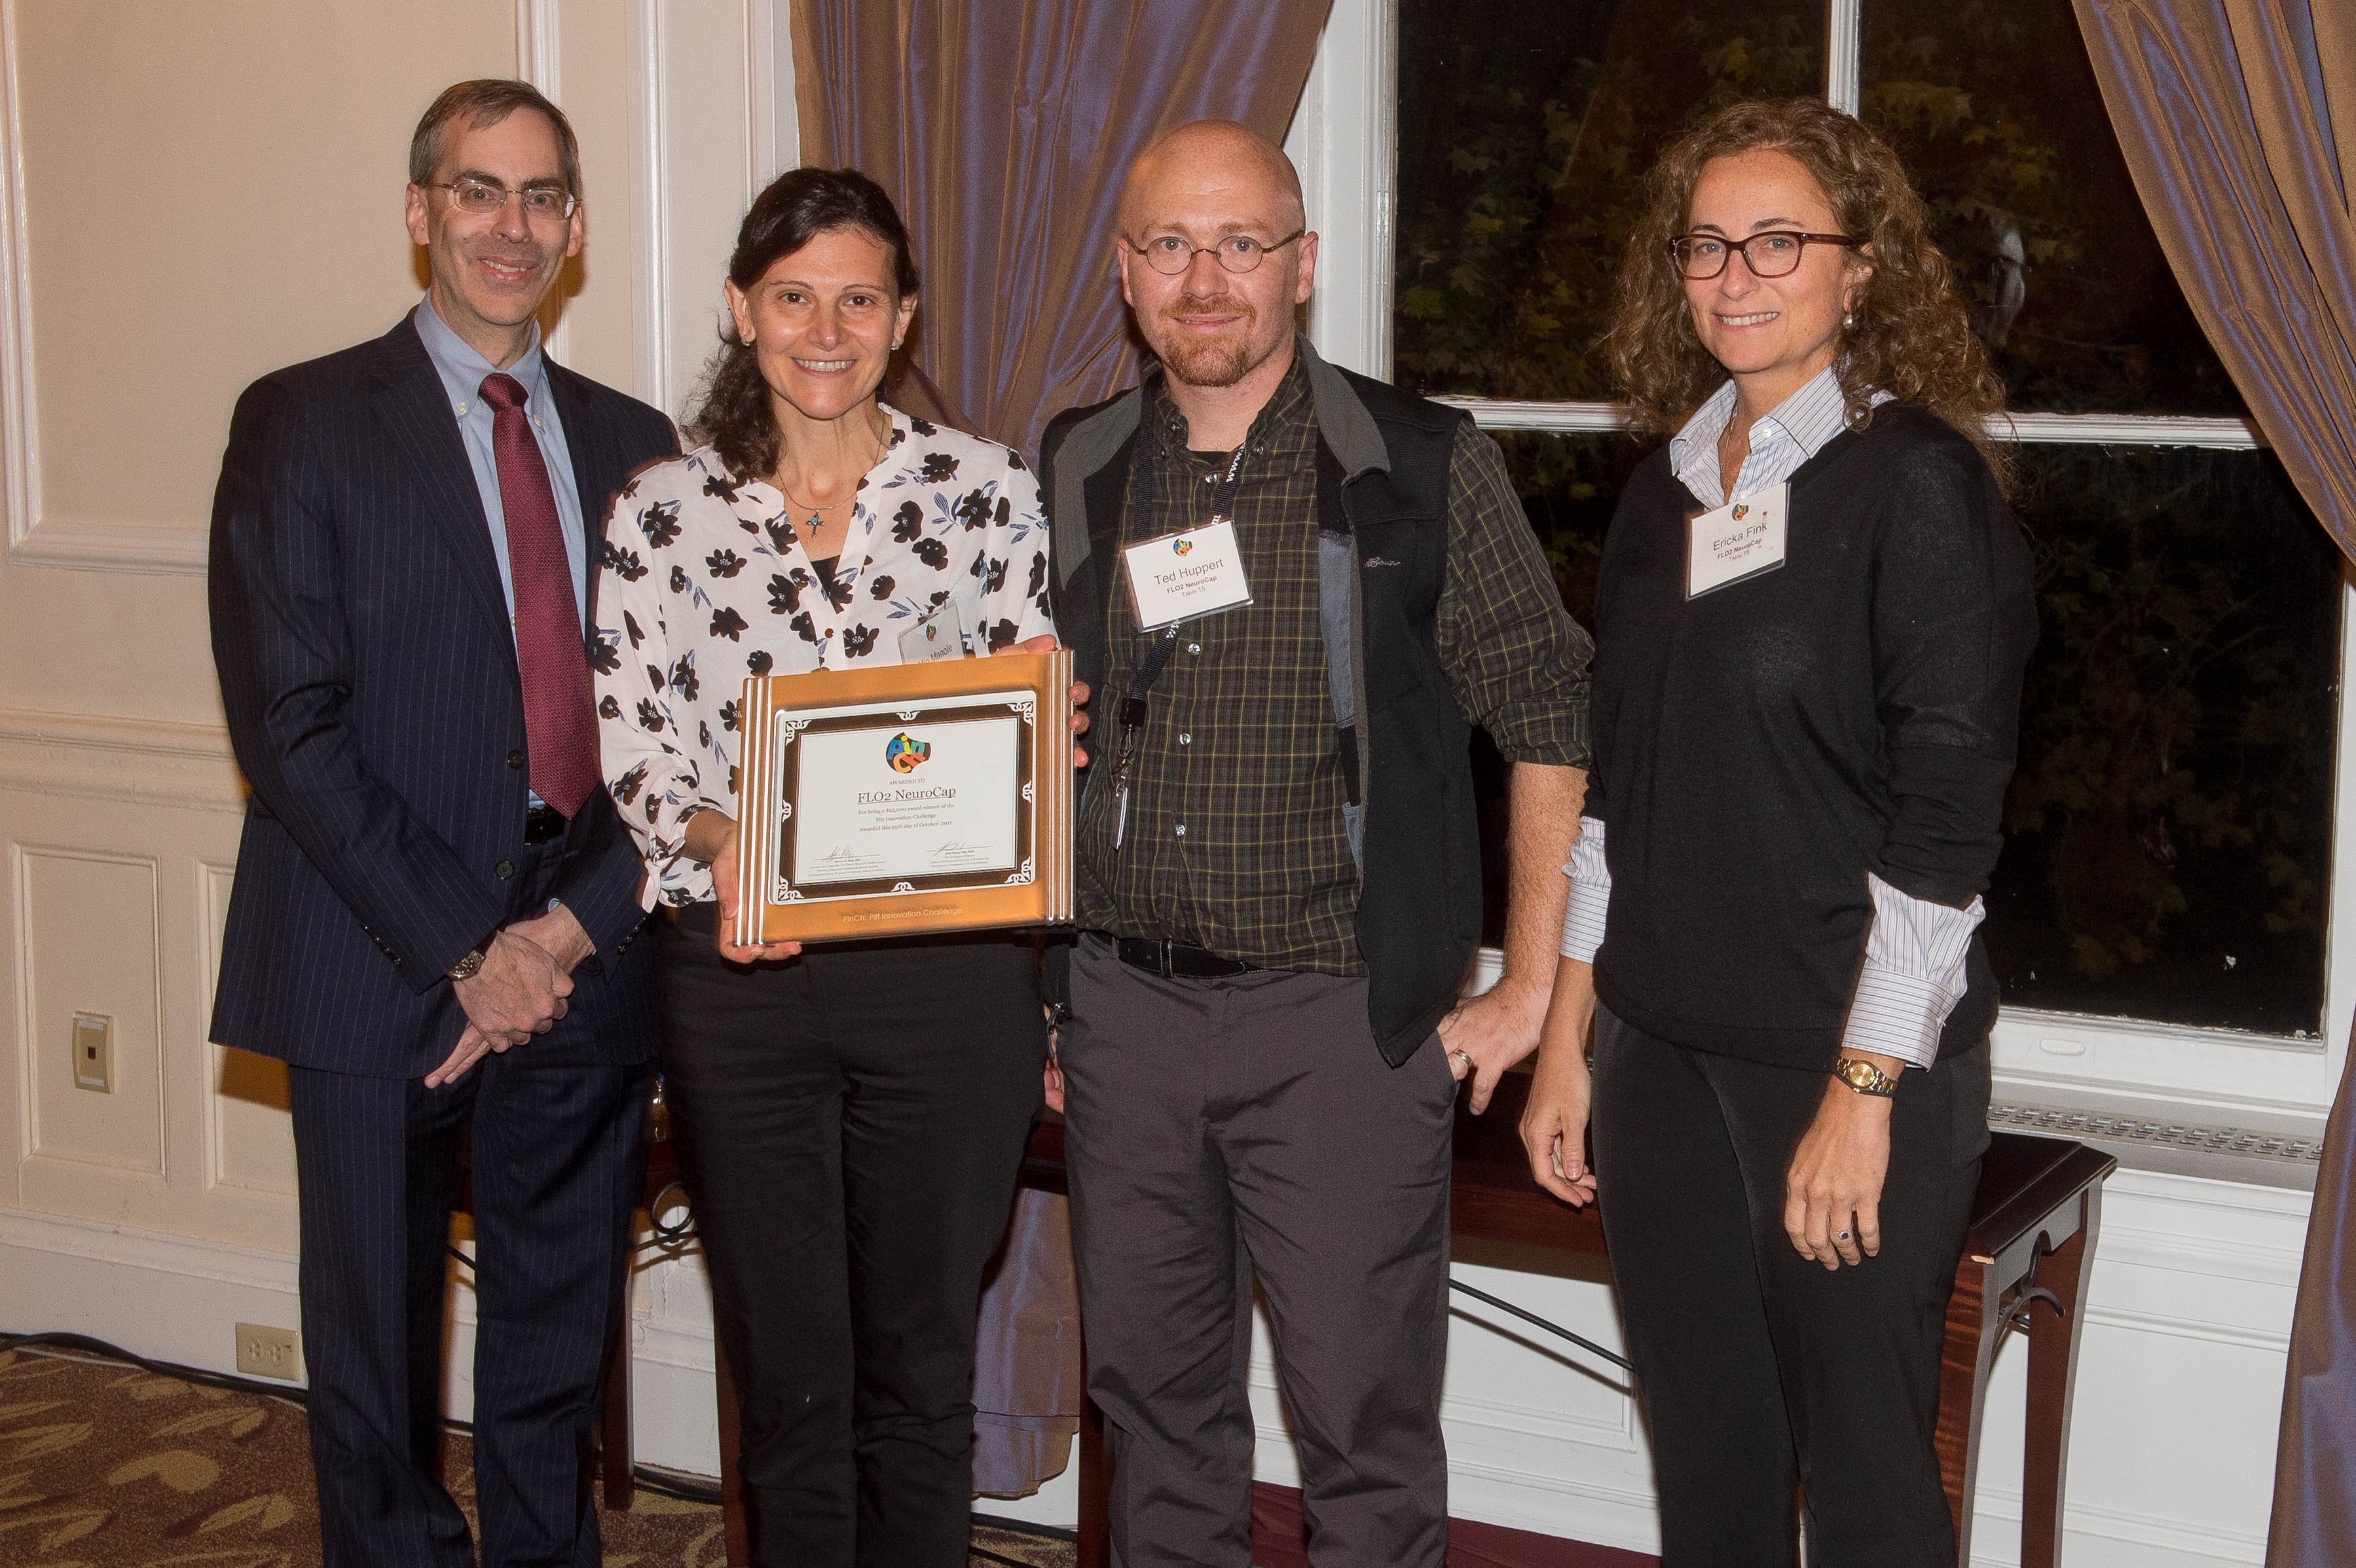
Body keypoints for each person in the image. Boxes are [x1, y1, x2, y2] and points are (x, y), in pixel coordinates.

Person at [1040, 120, 1592, 1567]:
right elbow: (1027, 729)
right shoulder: (1076, 466)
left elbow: (1546, 704)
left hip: (1337, 1027)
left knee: (1362, 1430)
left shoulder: (1415, 462)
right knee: (1152, 1417)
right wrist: (1045, 989)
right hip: (1120, 1017)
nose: (1204, 277)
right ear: (1124, 272)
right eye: (1169, 244)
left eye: (1240, 243)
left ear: (1301, 265)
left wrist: (1527, 986)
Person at [1516, 98, 2038, 1567]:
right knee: (1709, 1468)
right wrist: (1569, 1035)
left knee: (1865, 1481)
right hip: (1655, 1053)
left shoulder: (1914, 486)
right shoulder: (1658, 491)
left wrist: (1861, 1089)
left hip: (1840, 1058)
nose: (1735, 276)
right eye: (1705, 245)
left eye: (1777, 242)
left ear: (1859, 268)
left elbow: (1945, 831)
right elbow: (1618, 795)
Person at [207, 80, 676, 1567]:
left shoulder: (638, 447)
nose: (511, 225)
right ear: (420, 214)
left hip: (582, 959)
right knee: (374, 1362)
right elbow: (290, 728)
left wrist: (559, 932)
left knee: (551, 1347)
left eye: (542, 196)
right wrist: (470, 946)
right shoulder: (298, 421)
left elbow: (672, 736)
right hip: (374, 957)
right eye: (478, 191)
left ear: (577, 228)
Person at [593, 166, 1059, 1568]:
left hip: (947, 988)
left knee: (918, 1368)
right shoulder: (660, 513)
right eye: (793, 295)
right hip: (746, 986)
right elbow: (634, 745)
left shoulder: (986, 493)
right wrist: (738, 841)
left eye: (858, 297)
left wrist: (1040, 739)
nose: (824, 326)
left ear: (901, 315)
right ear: (742, 310)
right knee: (788, 1369)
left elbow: (1013, 725)